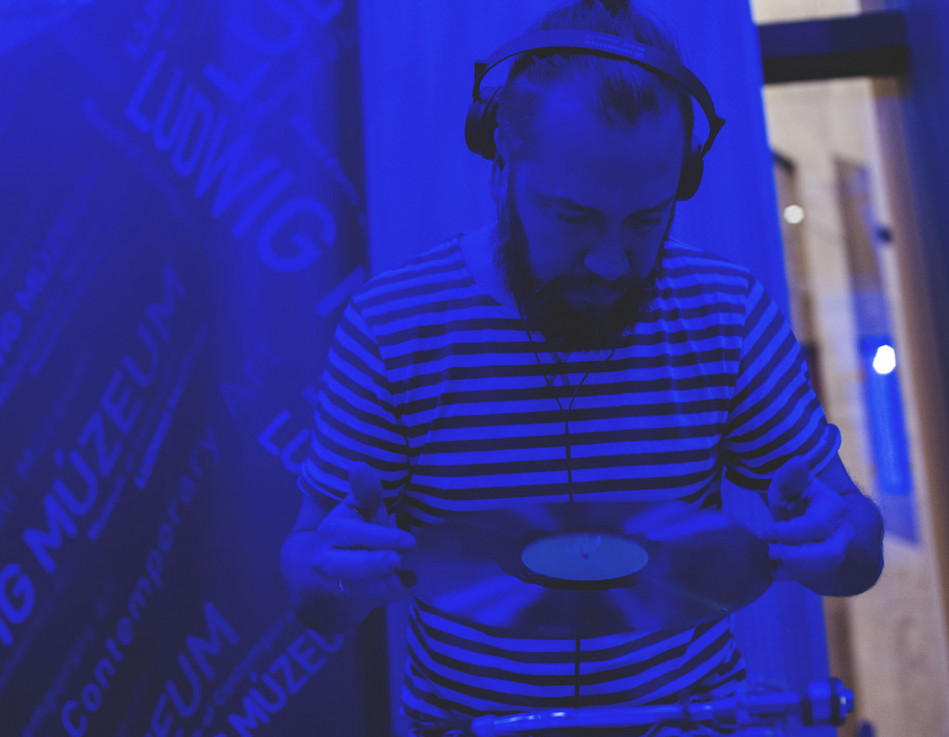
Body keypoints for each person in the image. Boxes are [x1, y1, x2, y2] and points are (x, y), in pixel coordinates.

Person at [280, 1, 885, 735]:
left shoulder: (728, 314)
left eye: (646, 221)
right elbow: (310, 585)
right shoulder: (391, 327)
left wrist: (840, 541)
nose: (610, 262)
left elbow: (857, 535)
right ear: (500, 167)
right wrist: (334, 573)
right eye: (573, 217)